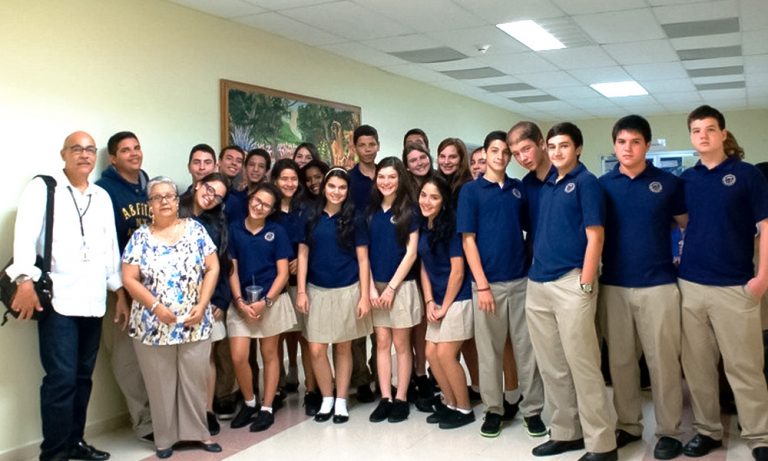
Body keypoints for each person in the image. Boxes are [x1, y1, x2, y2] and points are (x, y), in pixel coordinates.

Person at [9, 131, 122, 461]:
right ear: (63, 154)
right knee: (60, 379)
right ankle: (54, 453)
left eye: (90, 150)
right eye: (77, 149)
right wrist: (25, 281)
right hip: (58, 300)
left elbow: (110, 248)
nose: (84, 155)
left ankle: (75, 443)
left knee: (83, 378)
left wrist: (119, 292)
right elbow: (24, 237)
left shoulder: (101, 196)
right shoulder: (44, 188)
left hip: (94, 300)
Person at [677, 105, 768, 461]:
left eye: (710, 129)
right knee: (698, 367)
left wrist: (762, 279)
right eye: (696, 130)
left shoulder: (747, 175)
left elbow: (765, 227)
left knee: (744, 367)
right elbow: (685, 222)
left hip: (735, 286)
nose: (703, 135)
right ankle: (708, 431)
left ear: (723, 134)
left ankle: (759, 435)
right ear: (691, 136)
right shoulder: (687, 179)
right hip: (691, 286)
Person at [598, 115, 688, 460]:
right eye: (622, 142)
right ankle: (628, 424)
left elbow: (686, 225)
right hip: (615, 285)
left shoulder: (668, 183)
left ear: (647, 146)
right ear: (614, 145)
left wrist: (681, 255)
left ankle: (669, 431)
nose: (628, 148)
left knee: (663, 361)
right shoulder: (603, 185)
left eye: (635, 142)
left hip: (659, 285)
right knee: (621, 361)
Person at [526, 122, 616, 461]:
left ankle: (602, 444)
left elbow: (596, 236)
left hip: (571, 283)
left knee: (583, 365)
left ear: (577, 148)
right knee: (552, 366)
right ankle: (566, 433)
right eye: (552, 146)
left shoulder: (586, 183)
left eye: (564, 145)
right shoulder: (549, 185)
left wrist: (586, 283)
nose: (557, 152)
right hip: (538, 284)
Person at [121, 176, 222, 459]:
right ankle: (164, 439)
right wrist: (155, 307)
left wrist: (202, 304)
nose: (164, 201)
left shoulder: (196, 230)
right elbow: (129, 278)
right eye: (157, 197)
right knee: (160, 384)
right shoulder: (140, 237)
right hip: (153, 324)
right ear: (149, 204)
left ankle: (199, 433)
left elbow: (213, 268)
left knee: (194, 379)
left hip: (194, 320)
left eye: (169, 196)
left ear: (178, 201)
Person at [457, 130, 546, 439]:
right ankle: (494, 410)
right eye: (495, 150)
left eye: (506, 152)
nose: (501, 156)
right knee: (490, 351)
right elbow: (468, 241)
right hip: (487, 285)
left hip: (521, 280)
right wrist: (482, 285)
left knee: (526, 349)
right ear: (485, 153)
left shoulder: (518, 189)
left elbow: (531, 228)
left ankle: (532, 410)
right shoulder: (471, 191)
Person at [296, 167, 373, 424]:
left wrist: (364, 296)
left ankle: (341, 400)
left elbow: (363, 260)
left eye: (342, 187)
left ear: (347, 190)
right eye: (332, 186)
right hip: (317, 290)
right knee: (317, 348)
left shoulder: (355, 218)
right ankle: (326, 397)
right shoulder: (310, 216)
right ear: (323, 187)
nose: (336, 192)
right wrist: (301, 291)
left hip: (347, 289)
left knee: (343, 346)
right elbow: (303, 255)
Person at [95, 130, 154, 443]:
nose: (134, 153)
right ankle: (143, 422)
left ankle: (163, 415)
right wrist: (119, 291)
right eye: (126, 150)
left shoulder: (150, 187)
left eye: (137, 147)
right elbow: (105, 247)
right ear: (113, 158)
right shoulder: (103, 191)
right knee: (126, 358)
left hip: (153, 287)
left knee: (155, 355)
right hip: (120, 289)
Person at [227, 183, 297, 433]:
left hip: (271, 301)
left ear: (272, 209)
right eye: (257, 200)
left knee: (270, 354)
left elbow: (282, 274)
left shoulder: (277, 232)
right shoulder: (234, 229)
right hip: (241, 302)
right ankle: (249, 402)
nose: (259, 207)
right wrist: (239, 301)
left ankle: (267, 407)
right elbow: (232, 269)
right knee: (238, 355)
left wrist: (266, 301)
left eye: (266, 205)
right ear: (250, 199)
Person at [367, 157, 422, 423]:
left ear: (400, 179)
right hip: (375, 288)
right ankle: (385, 397)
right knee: (381, 343)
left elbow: (411, 254)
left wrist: (390, 288)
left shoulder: (410, 211)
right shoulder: (370, 212)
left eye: (392, 177)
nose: (386, 182)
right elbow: (363, 254)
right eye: (381, 176)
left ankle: (401, 397)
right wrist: (371, 288)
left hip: (401, 286)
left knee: (401, 344)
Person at [417, 176, 475, 429]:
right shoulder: (424, 225)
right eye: (424, 195)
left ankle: (464, 408)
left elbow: (458, 272)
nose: (427, 201)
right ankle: (450, 402)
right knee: (431, 353)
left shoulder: (452, 227)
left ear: (443, 201)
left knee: (445, 354)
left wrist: (444, 306)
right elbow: (424, 267)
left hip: (458, 299)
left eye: (434, 197)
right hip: (438, 300)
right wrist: (429, 300)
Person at [178, 172, 233, 437]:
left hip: (209, 300)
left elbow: (223, 265)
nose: (211, 197)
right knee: (180, 360)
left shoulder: (217, 223)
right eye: (209, 189)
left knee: (206, 356)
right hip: (175, 300)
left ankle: (208, 410)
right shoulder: (175, 213)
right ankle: (183, 414)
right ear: (198, 184)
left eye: (218, 196)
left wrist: (221, 299)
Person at [269, 159, 321, 415]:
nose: (289, 184)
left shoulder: (308, 208)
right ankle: (276, 388)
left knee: (306, 338)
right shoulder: (268, 209)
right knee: (275, 339)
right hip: (275, 285)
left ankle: (312, 389)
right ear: (275, 181)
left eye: (293, 179)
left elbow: (316, 242)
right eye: (284, 179)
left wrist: (301, 263)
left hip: (303, 282)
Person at [348, 124, 380, 403]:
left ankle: (380, 374)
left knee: (381, 325)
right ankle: (360, 379)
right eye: (362, 145)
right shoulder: (349, 180)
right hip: (356, 254)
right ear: (355, 148)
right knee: (358, 323)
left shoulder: (387, 175)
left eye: (372, 144)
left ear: (377, 146)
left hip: (383, 254)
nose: (368, 150)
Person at [436, 137, 472, 204]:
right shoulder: (436, 181)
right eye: (442, 156)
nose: (446, 162)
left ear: (461, 159)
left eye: (452, 157)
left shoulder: (468, 186)